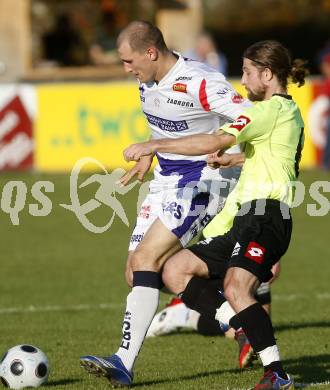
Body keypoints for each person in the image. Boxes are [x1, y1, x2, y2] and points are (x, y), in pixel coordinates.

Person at [123, 40, 307, 389]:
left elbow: (211, 141)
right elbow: (271, 157)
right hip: (244, 218)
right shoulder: (286, 112)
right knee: (176, 270)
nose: (243, 80)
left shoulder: (265, 111)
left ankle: (277, 373)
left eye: (248, 72)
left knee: (236, 286)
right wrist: (235, 160)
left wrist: (154, 145)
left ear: (267, 74)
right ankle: (241, 324)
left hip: (265, 215)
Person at [79, 20, 252, 387]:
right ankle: (241, 324)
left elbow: (245, 120)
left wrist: (158, 148)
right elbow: (165, 126)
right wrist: (149, 153)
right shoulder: (146, 81)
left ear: (151, 52)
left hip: (204, 181)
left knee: (147, 260)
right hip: (166, 180)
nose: (127, 70)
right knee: (137, 272)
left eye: (128, 61)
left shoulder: (201, 80)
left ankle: (123, 364)